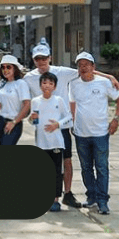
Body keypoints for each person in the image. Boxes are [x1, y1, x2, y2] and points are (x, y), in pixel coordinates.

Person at [23, 38, 119, 208]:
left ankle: (67, 193)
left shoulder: (62, 72)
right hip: (43, 129)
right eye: (38, 59)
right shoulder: (29, 78)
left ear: (50, 58)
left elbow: (86, 71)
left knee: (67, 161)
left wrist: (108, 76)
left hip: (62, 126)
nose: (41, 62)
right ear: (33, 60)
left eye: (44, 58)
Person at [70, 51, 119, 215]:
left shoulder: (104, 83)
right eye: (80, 65)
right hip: (81, 134)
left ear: (93, 67)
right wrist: (72, 123)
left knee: (101, 168)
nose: (83, 67)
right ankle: (91, 196)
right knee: (86, 168)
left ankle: (102, 201)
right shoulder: (73, 84)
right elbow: (72, 104)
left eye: (86, 64)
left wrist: (116, 119)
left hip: (101, 133)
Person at [30, 71, 73, 212]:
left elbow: (68, 117)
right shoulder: (35, 101)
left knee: (56, 171)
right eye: (44, 82)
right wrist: (32, 118)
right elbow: (33, 122)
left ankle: (55, 199)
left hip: (56, 142)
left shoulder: (58, 100)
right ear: (40, 85)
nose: (47, 85)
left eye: (50, 83)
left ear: (54, 86)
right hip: (41, 142)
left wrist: (57, 124)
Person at [0, 54, 30, 145]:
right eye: (3, 67)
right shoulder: (3, 84)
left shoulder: (21, 84)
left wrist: (14, 122)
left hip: (13, 123)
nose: (5, 70)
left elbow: (27, 105)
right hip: (1, 122)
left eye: (8, 67)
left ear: (15, 68)